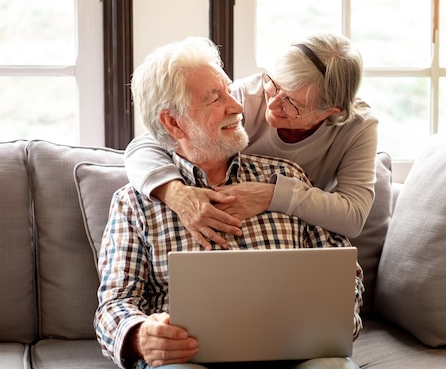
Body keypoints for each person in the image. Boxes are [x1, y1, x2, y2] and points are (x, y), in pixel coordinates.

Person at [94, 37, 364, 369]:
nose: (237, 107)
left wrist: (335, 321)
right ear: (173, 122)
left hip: (294, 356)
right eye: (215, 99)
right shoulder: (133, 204)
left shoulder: (286, 176)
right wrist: (139, 335)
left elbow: (343, 272)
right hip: (191, 360)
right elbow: (114, 305)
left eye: (229, 91)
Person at [124, 32, 379, 250]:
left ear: (329, 113)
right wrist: (176, 194)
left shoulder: (358, 125)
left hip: (293, 231)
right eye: (273, 85)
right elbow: (152, 139)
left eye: (292, 103)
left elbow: (353, 215)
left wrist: (271, 195)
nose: (274, 104)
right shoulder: (245, 96)